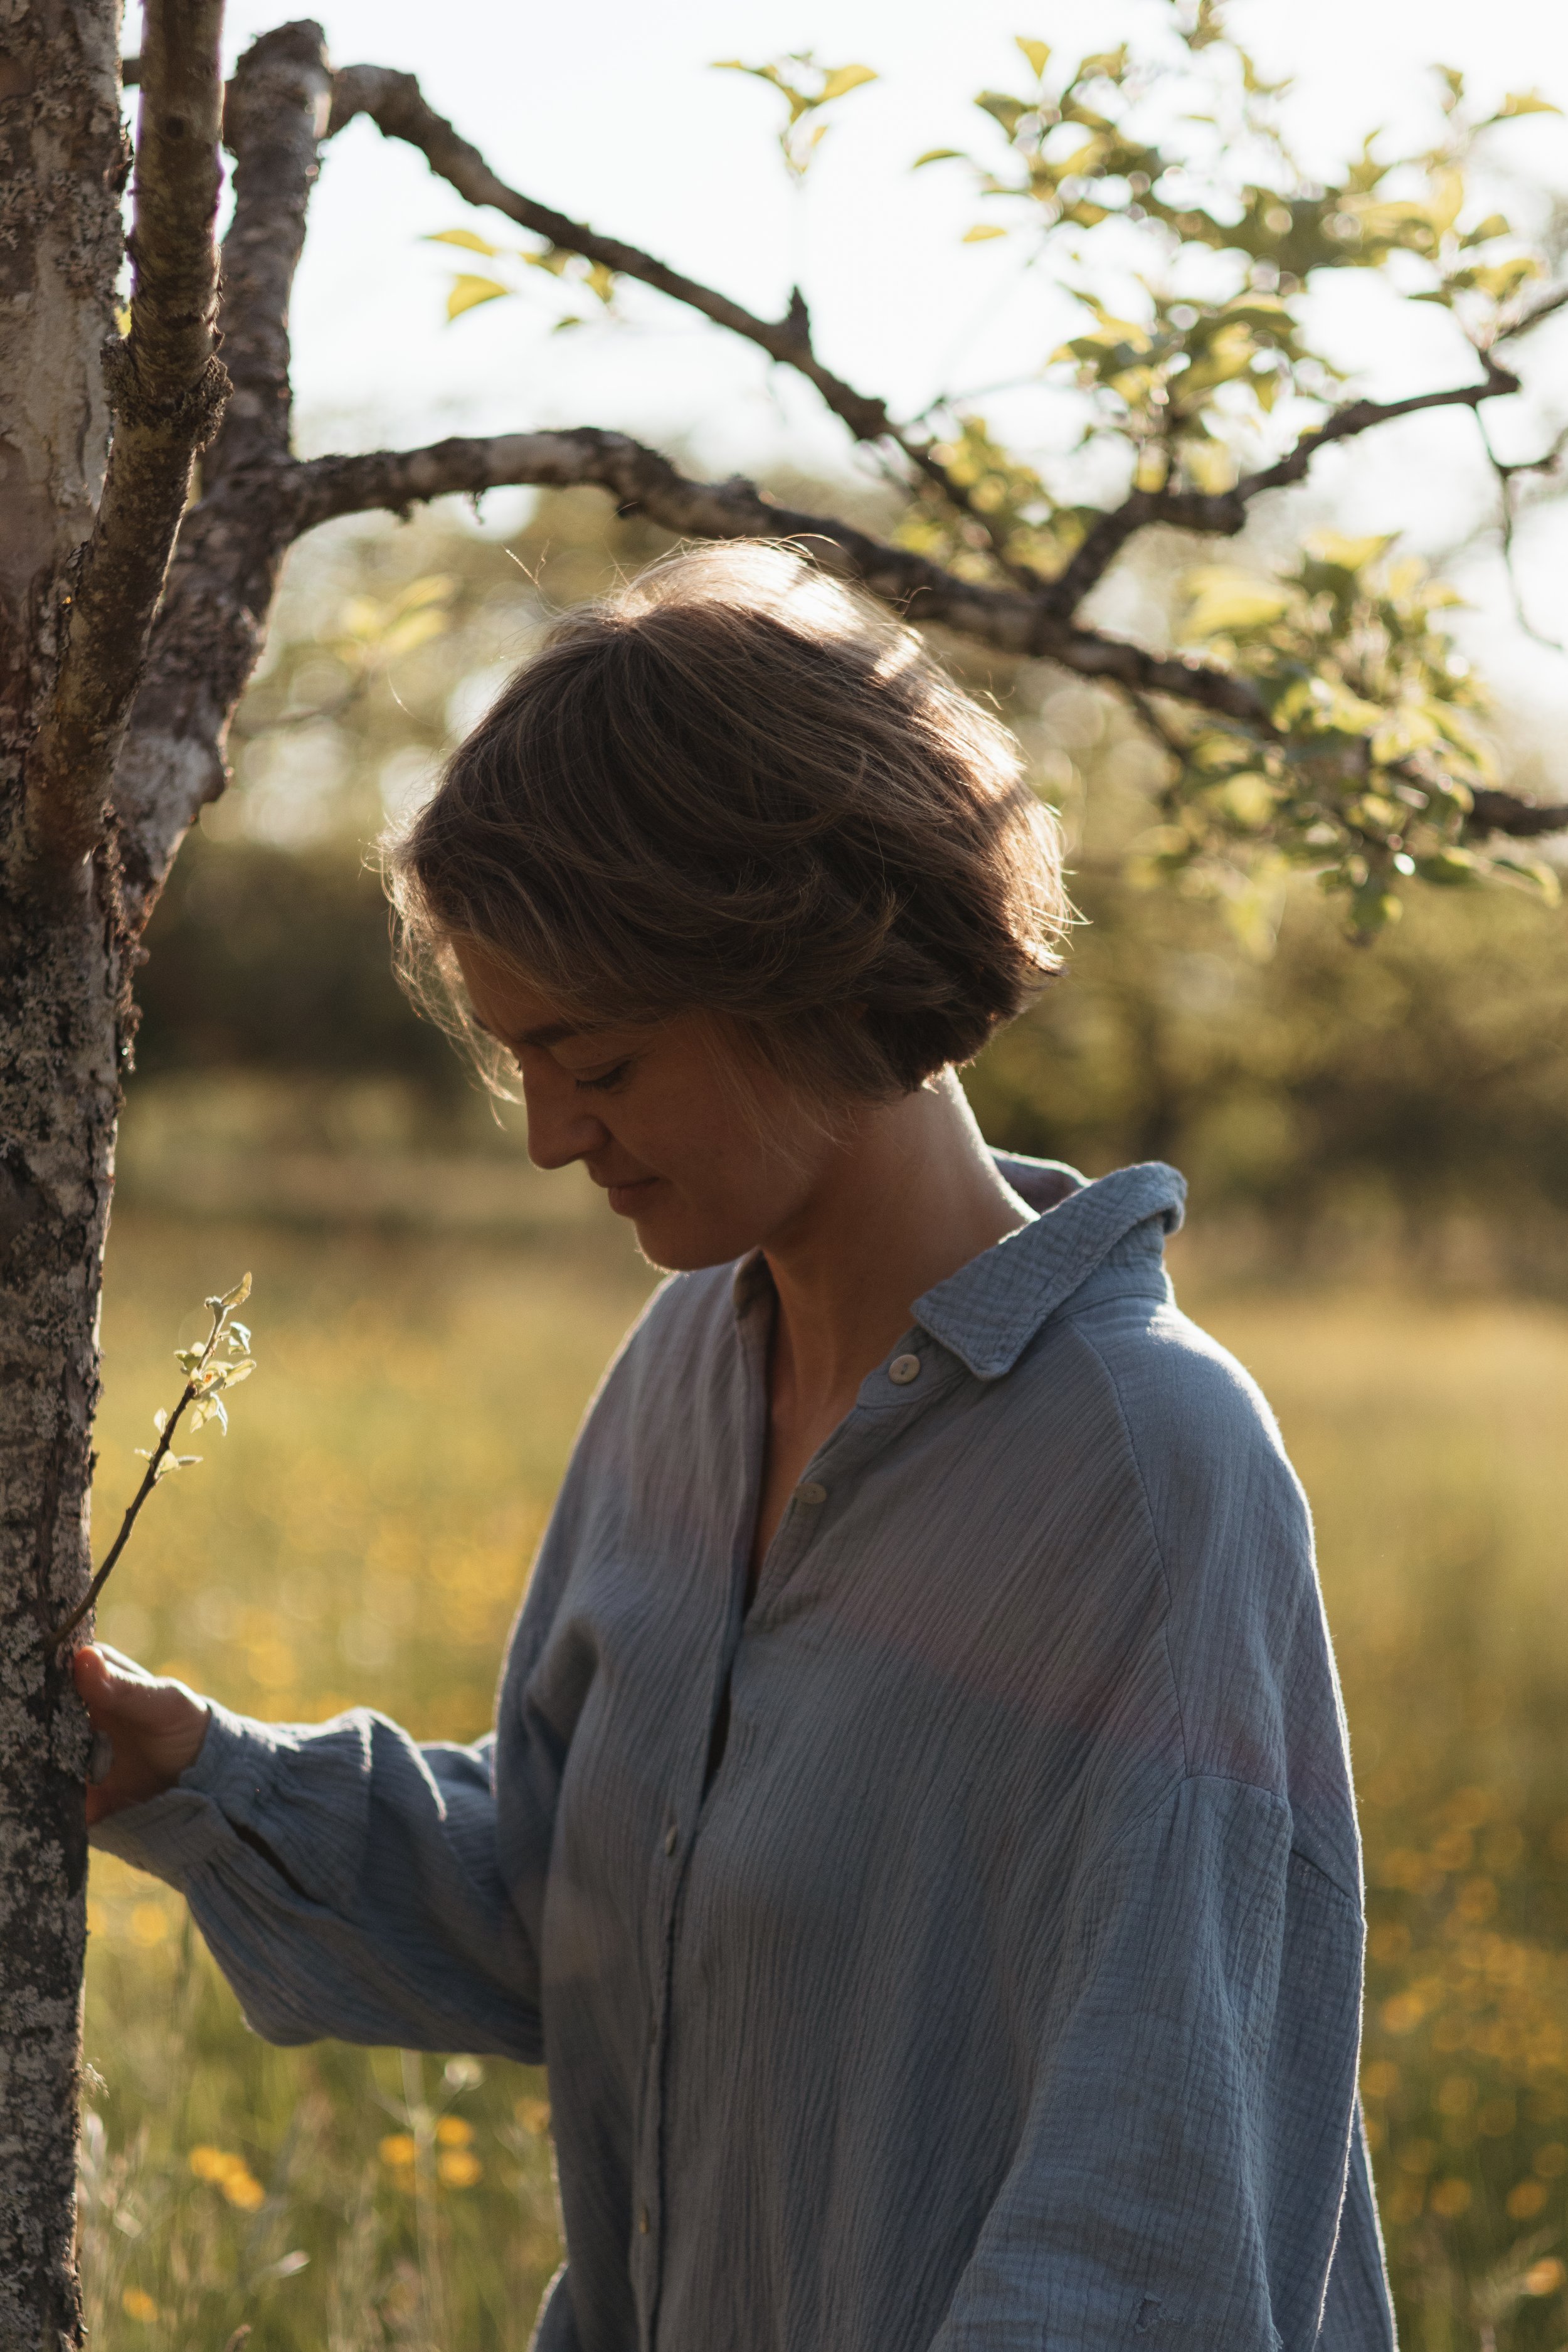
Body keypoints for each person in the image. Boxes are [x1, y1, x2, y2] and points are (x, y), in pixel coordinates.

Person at [79, 542, 1395, 2352]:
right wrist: (196, 1779)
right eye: (518, 1060)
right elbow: (583, 1902)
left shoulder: (1148, 1473)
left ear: (801, 968)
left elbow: (1152, 2225)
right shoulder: (688, 1369)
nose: (548, 1139)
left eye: (597, 1063)